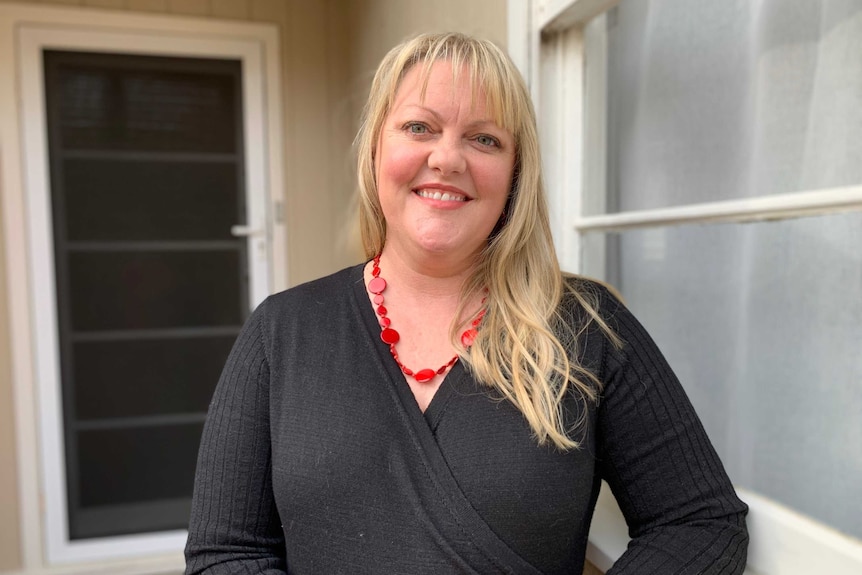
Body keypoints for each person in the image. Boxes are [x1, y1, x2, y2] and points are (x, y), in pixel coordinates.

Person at [184, 32, 748, 575]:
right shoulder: (282, 332)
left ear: (514, 175)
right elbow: (225, 553)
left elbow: (700, 523)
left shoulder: (585, 329)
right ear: (377, 147)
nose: (447, 159)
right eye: (419, 127)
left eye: (485, 139)